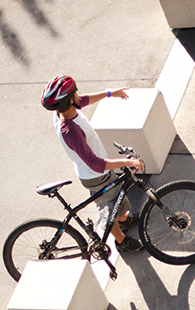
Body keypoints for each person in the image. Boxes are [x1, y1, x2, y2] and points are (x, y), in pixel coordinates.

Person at [42, 74, 145, 253]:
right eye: (75, 92)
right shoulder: (72, 131)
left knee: (116, 199)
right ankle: (121, 241)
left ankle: (124, 220)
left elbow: (83, 100)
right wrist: (125, 162)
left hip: (99, 173)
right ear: (69, 101)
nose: (77, 94)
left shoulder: (62, 112)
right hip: (96, 176)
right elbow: (94, 163)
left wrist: (110, 93)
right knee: (108, 209)